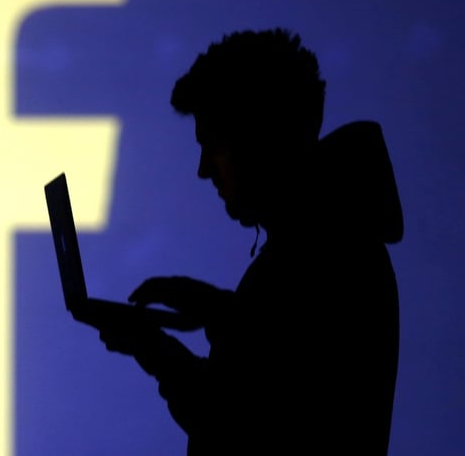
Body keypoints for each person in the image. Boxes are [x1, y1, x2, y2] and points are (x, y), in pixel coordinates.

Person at [97, 29, 402, 454]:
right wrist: (218, 308)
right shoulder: (335, 244)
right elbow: (282, 361)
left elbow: (240, 423)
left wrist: (154, 349)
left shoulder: (318, 259)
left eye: (213, 146)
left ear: (258, 138)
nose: (204, 169)